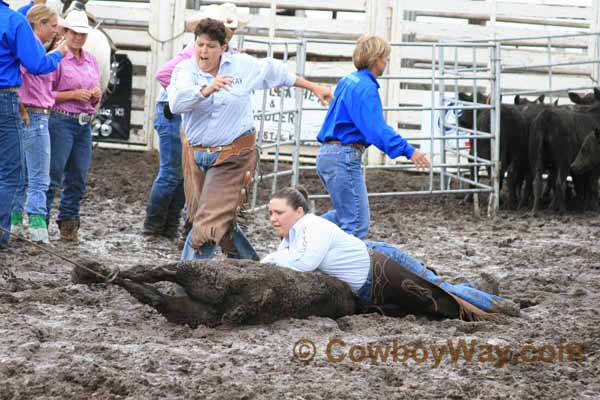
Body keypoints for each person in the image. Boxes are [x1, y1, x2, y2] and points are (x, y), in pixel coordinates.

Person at [169, 18, 333, 261]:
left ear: (223, 48)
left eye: (211, 46)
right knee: (215, 217)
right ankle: (251, 266)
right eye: (200, 44)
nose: (203, 51)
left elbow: (274, 72)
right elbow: (176, 104)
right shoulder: (185, 70)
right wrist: (206, 90)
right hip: (196, 154)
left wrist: (312, 87)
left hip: (233, 155)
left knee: (208, 221)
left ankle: (186, 278)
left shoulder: (242, 66)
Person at [262, 187, 520, 319]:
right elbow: (279, 258)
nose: (273, 218)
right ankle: (482, 290)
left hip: (381, 267)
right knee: (429, 296)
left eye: (279, 213)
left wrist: (271, 262)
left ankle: (500, 306)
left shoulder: (312, 226)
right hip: (375, 273)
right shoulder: (294, 236)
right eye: (270, 213)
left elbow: (305, 263)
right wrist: (270, 261)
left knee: (437, 290)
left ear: (298, 212)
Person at [143, 3, 246, 240]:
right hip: (174, 113)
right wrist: (189, 93)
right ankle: (153, 228)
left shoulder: (217, 52)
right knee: (172, 173)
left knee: (185, 174)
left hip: (189, 113)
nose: (230, 33)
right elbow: (163, 74)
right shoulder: (197, 51)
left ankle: (167, 229)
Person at [315, 35, 431, 239]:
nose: (386, 62)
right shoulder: (366, 88)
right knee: (357, 223)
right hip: (344, 155)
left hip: (328, 154)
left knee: (347, 215)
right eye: (385, 57)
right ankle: (303, 235)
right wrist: (408, 150)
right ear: (376, 59)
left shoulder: (348, 80)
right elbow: (376, 129)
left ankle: (301, 230)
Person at [0, 0, 66, 248]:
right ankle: (2, 233)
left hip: (16, 102)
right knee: (11, 173)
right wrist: (60, 52)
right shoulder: (13, 20)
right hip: (5, 97)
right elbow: (37, 65)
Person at [46, 10, 100, 242]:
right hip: (61, 120)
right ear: (66, 32)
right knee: (54, 173)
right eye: (75, 33)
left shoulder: (91, 60)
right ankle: (42, 221)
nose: (78, 38)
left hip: (83, 123)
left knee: (77, 176)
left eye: (82, 34)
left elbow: (94, 96)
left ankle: (69, 222)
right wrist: (73, 94)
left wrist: (95, 97)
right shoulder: (56, 58)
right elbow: (45, 94)